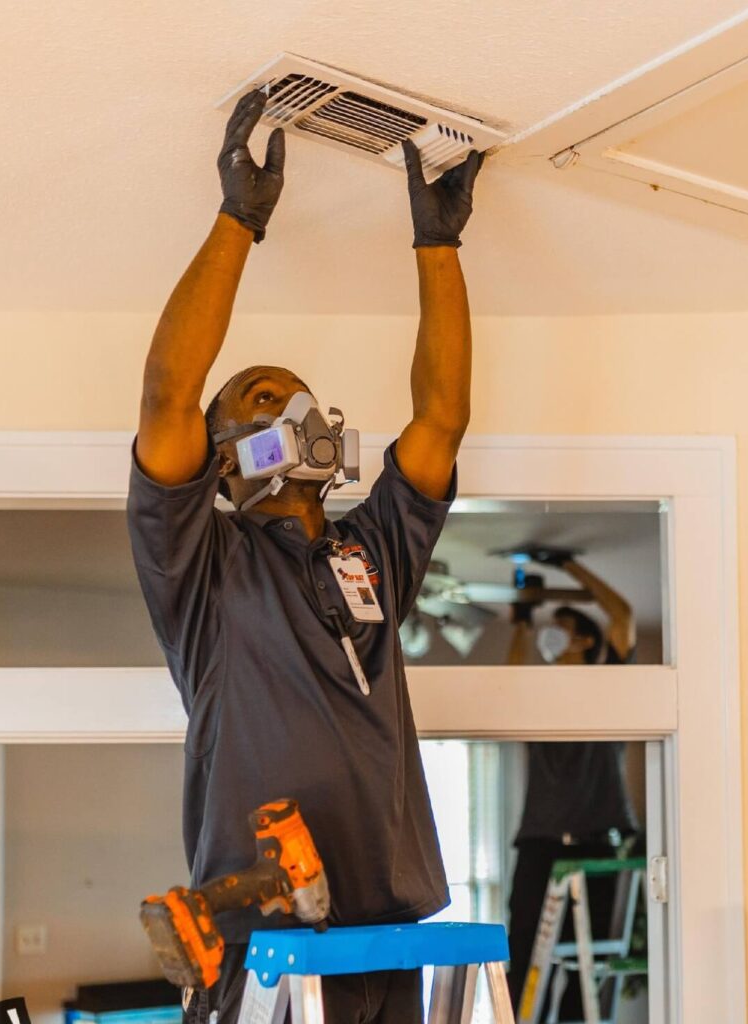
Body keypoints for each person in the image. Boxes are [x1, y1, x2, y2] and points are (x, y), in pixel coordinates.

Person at [126, 88, 484, 1023]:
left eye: (300, 398)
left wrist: (436, 244)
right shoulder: (200, 565)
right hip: (258, 944)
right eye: (260, 401)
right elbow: (168, 397)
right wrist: (239, 219)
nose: (296, 414)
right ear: (222, 457)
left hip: (382, 928)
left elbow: (440, 417)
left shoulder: (376, 548)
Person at [506, 557, 640, 1022]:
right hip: (539, 846)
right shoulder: (539, 696)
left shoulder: (610, 688)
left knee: (585, 968)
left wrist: (569, 566)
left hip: (598, 844)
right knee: (522, 956)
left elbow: (621, 617)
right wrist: (524, 623)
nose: (552, 636)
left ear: (585, 638)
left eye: (561, 628)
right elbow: (507, 683)